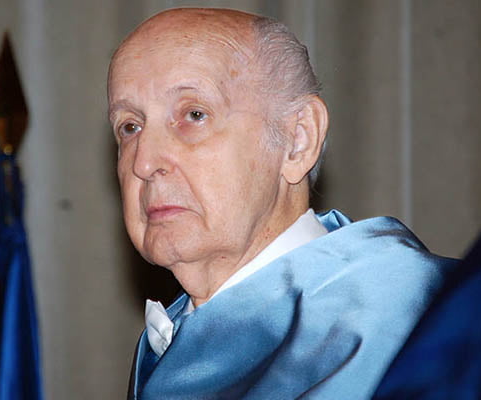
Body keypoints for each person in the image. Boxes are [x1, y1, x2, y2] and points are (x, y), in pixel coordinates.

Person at [107, 8, 454, 399]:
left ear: (297, 140)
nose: (144, 162)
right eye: (130, 127)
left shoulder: (420, 324)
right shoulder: (169, 338)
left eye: (194, 114)